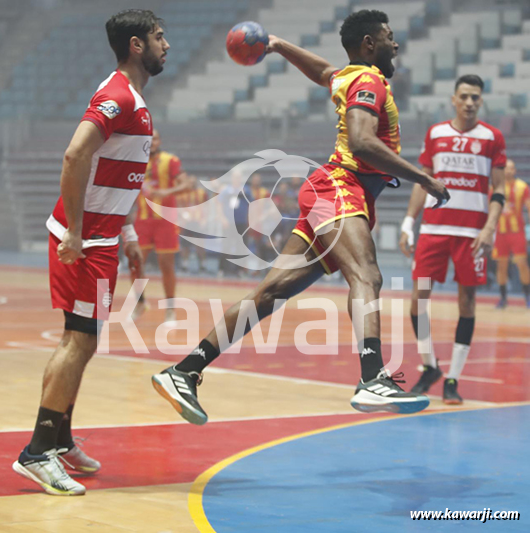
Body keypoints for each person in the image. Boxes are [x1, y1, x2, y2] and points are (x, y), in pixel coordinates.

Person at [152, 10, 449, 425]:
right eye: (388, 37)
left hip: (334, 191)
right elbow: (362, 143)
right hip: (342, 187)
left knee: (270, 294)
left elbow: (324, 71)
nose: (395, 44)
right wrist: (423, 177)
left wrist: (276, 44)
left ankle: (183, 371)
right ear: (369, 43)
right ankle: (371, 378)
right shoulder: (367, 82)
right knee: (367, 275)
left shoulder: (348, 77)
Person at [13, 10, 169, 496]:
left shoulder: (134, 99)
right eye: (159, 37)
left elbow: (112, 177)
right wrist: (76, 233)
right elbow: (75, 154)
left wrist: (126, 239)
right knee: (78, 342)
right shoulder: (116, 96)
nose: (167, 44)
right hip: (85, 245)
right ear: (136, 44)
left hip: (103, 241)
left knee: (81, 342)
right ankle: (37, 452)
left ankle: (58, 440)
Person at [399, 74, 506, 405]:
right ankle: (430, 366)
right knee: (419, 299)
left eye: (476, 97)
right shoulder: (436, 134)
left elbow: (499, 189)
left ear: (481, 101)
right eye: (465, 96)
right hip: (434, 230)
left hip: (472, 234)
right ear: (453, 99)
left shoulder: (492, 138)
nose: (470, 102)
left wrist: (490, 228)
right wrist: (407, 222)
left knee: (467, 302)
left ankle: (453, 379)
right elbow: (421, 181)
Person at [132, 129, 188, 323]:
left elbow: (186, 184)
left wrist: (167, 192)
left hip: (165, 220)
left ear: (160, 141)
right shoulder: (135, 161)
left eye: (155, 138)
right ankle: (140, 303)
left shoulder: (170, 160)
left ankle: (170, 309)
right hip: (142, 219)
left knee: (166, 265)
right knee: (135, 263)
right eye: (148, 138)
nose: (152, 141)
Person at [492, 159, 530, 308]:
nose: (509, 171)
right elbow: (490, 209)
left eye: (512, 168)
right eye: (506, 168)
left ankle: (527, 297)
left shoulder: (522, 187)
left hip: (517, 232)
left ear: (515, 170)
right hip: (500, 233)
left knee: (522, 264)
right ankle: (503, 298)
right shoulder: (495, 187)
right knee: (501, 266)